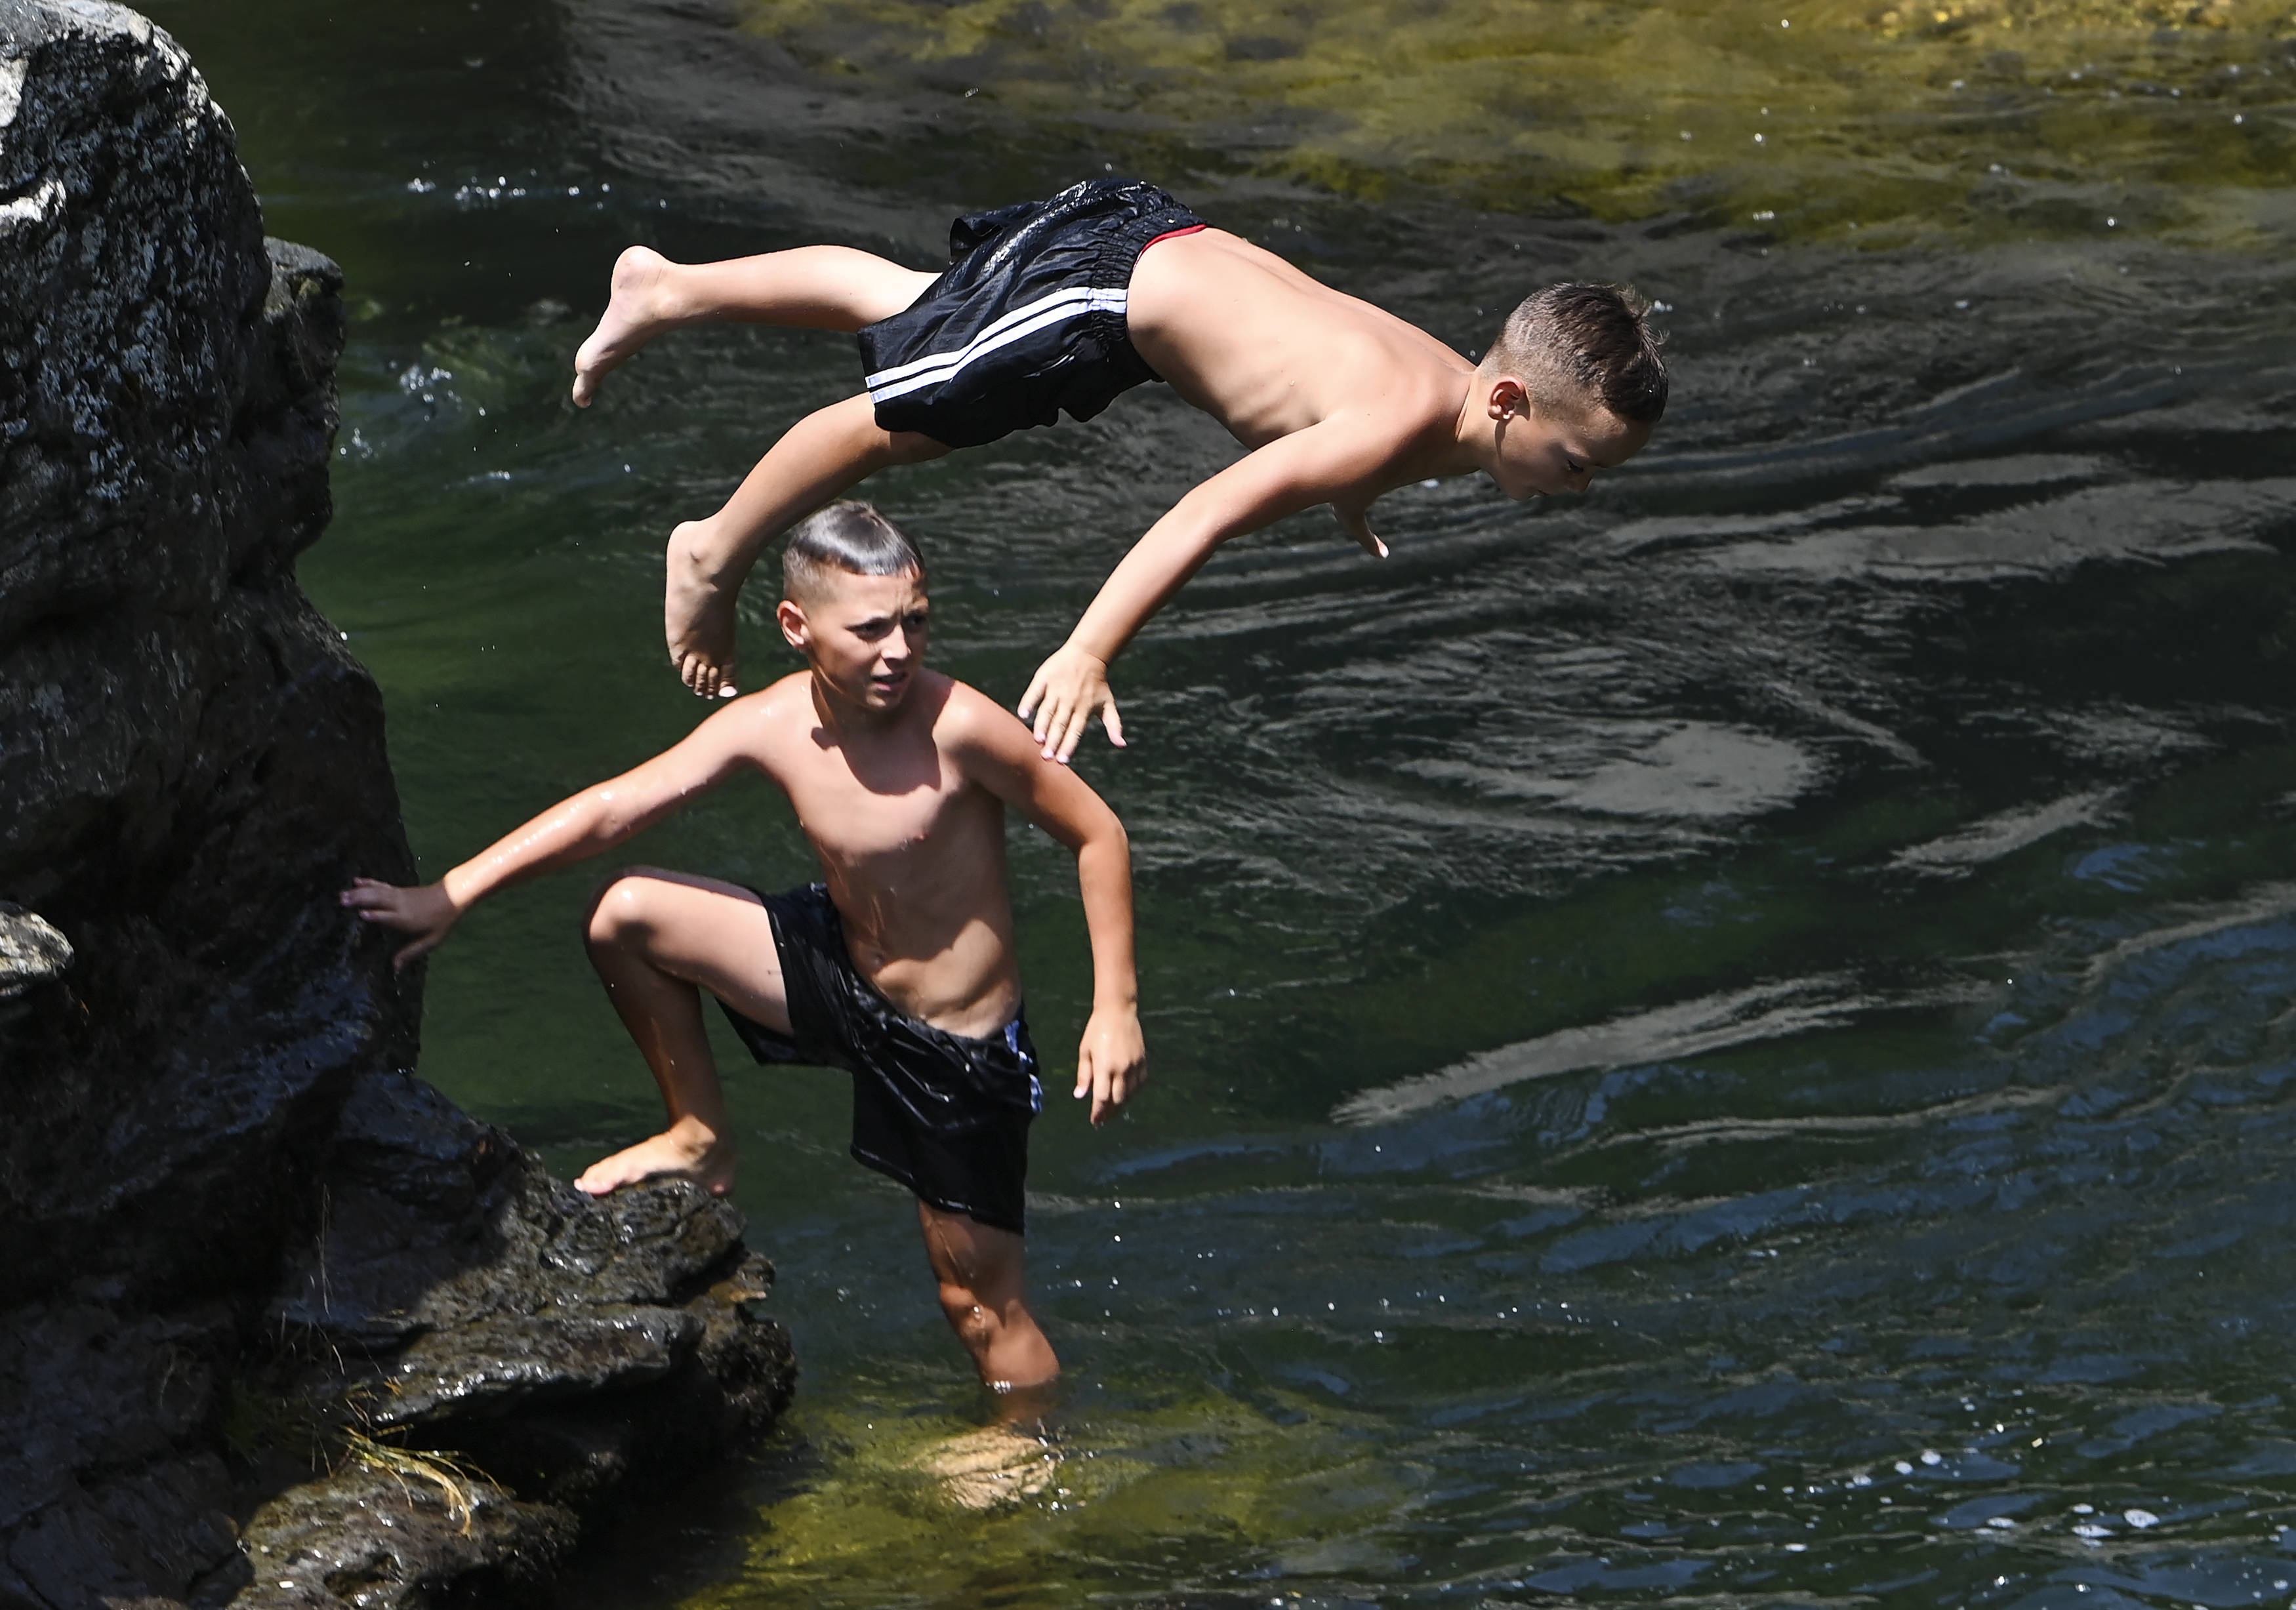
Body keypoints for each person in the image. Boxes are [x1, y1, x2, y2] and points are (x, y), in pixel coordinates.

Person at [340, 502, 1145, 1392]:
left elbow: (1098, 833)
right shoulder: (772, 722)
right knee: (627, 916)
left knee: (979, 1305)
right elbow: (616, 807)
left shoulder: (959, 725)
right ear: (797, 628)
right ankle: (700, 1133)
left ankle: (1025, 1443)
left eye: (916, 623)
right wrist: (454, 892)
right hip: (843, 969)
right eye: (871, 629)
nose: (899, 652)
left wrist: (1116, 1008)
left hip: (952, 1046)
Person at [569, 177, 1670, 759]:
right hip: (1106, 299)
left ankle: (669, 289)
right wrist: (1092, 648)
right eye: (1577, 464)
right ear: (1514, 401)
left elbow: (1333, 408)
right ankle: (711, 550)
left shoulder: (1447, 394)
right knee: (899, 420)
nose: (1579, 490)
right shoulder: (1394, 419)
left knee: (917, 303)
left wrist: (1349, 494)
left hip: (1145, 240)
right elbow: (1205, 511)